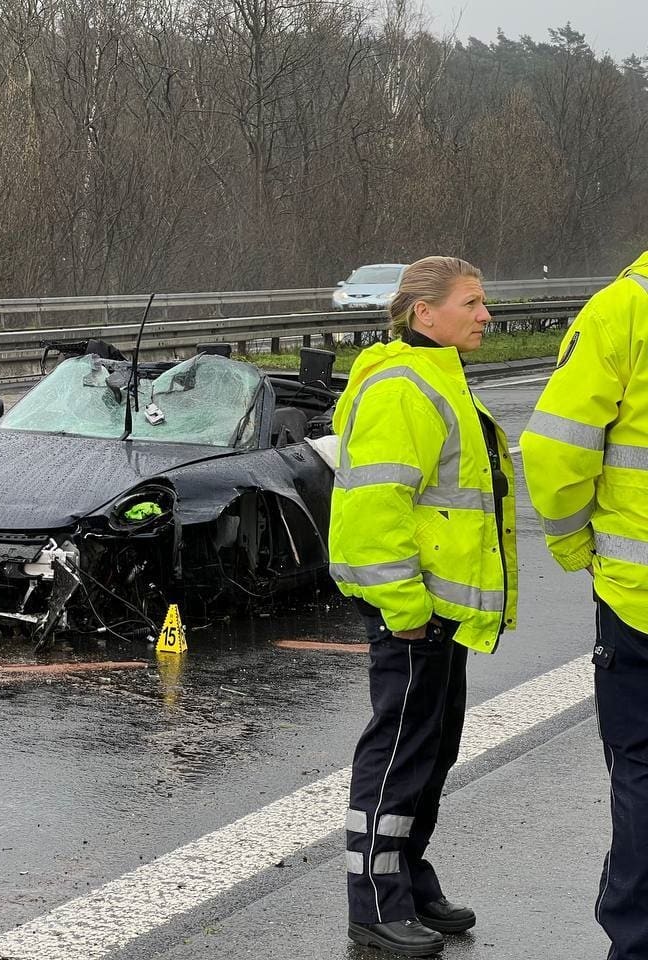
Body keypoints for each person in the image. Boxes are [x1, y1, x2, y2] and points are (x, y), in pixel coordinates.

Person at [329, 256, 518, 957]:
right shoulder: (404, 388)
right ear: (423, 314)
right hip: (412, 609)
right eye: (471, 302)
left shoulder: (439, 377)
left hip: (442, 610)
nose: (484, 315)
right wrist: (404, 606)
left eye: (483, 300)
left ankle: (409, 879)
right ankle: (374, 904)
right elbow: (372, 513)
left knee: (432, 753)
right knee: (399, 754)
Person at [519, 250, 648, 960]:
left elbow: (554, 448)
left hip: (639, 600)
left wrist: (576, 548)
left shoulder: (625, 308)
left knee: (641, 766)